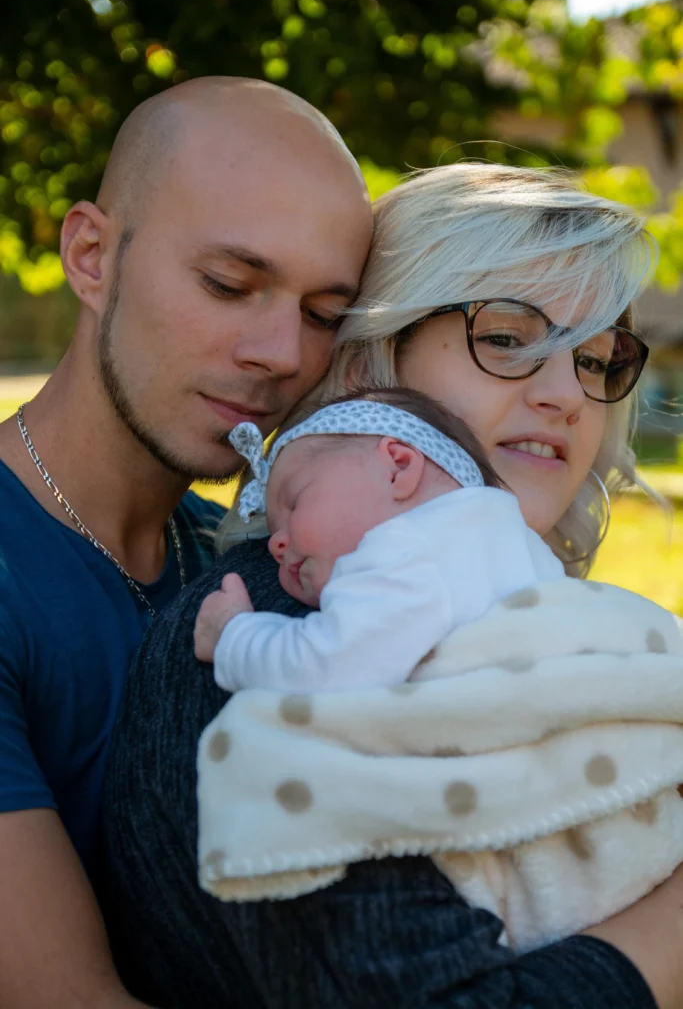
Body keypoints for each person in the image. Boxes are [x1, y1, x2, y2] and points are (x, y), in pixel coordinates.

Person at [104, 163, 683, 1008]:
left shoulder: (509, 608)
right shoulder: (280, 630)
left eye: (596, 360)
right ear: (374, 361)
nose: (565, 394)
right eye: (508, 338)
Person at [0, 76, 372, 1009]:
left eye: (325, 313)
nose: (281, 352)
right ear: (91, 255)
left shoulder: (260, 556)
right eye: (228, 284)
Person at [195, 387, 562, 690]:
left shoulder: (409, 551)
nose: (276, 545)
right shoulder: (518, 546)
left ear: (398, 468)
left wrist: (234, 636)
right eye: (276, 531)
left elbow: (328, 667)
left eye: (295, 501)